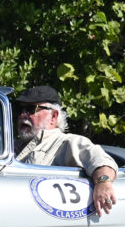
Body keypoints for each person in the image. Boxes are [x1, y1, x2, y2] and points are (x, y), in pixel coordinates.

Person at [13, 85, 118, 215]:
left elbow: (102, 160)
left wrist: (103, 182)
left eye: (30, 109)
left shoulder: (68, 142)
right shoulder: (11, 147)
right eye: (20, 110)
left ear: (53, 116)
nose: (22, 115)